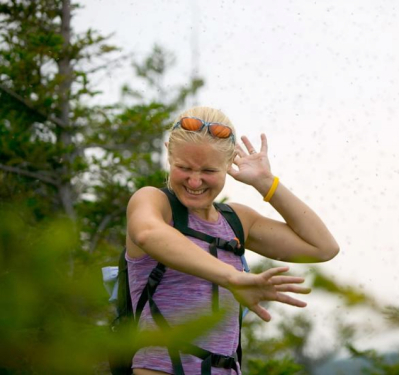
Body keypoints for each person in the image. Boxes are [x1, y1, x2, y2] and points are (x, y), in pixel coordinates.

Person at [125, 106, 339, 375]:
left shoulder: (237, 221)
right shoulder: (153, 202)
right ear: (169, 154)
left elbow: (323, 247)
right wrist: (233, 277)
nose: (194, 180)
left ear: (229, 164)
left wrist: (266, 183)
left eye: (208, 170)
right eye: (184, 167)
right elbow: (148, 234)